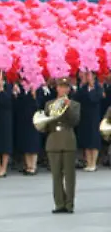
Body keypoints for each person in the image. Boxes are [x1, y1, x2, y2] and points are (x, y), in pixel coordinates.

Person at [43, 78, 81, 213]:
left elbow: (75, 121)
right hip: (53, 141)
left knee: (69, 176)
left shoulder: (75, 105)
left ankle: (69, 204)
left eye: (65, 87)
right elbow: (46, 123)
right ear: (56, 88)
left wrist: (68, 106)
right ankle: (59, 203)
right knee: (56, 175)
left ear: (69, 89)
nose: (63, 89)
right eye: (60, 87)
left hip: (68, 141)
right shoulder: (49, 104)